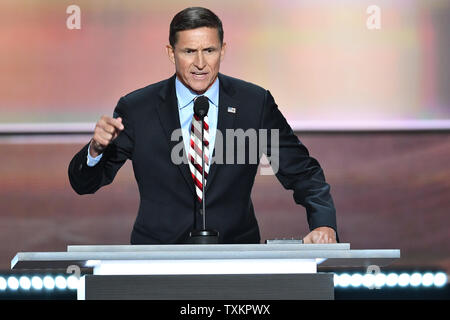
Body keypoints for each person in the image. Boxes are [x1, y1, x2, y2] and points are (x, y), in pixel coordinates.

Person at [68, 7, 338, 244]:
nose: (200, 63)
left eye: (209, 50)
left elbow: (303, 172)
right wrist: (95, 150)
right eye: (189, 51)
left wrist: (323, 224)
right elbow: (85, 184)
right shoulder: (138, 109)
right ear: (171, 53)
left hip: (235, 258)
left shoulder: (254, 103)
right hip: (158, 261)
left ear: (223, 50)